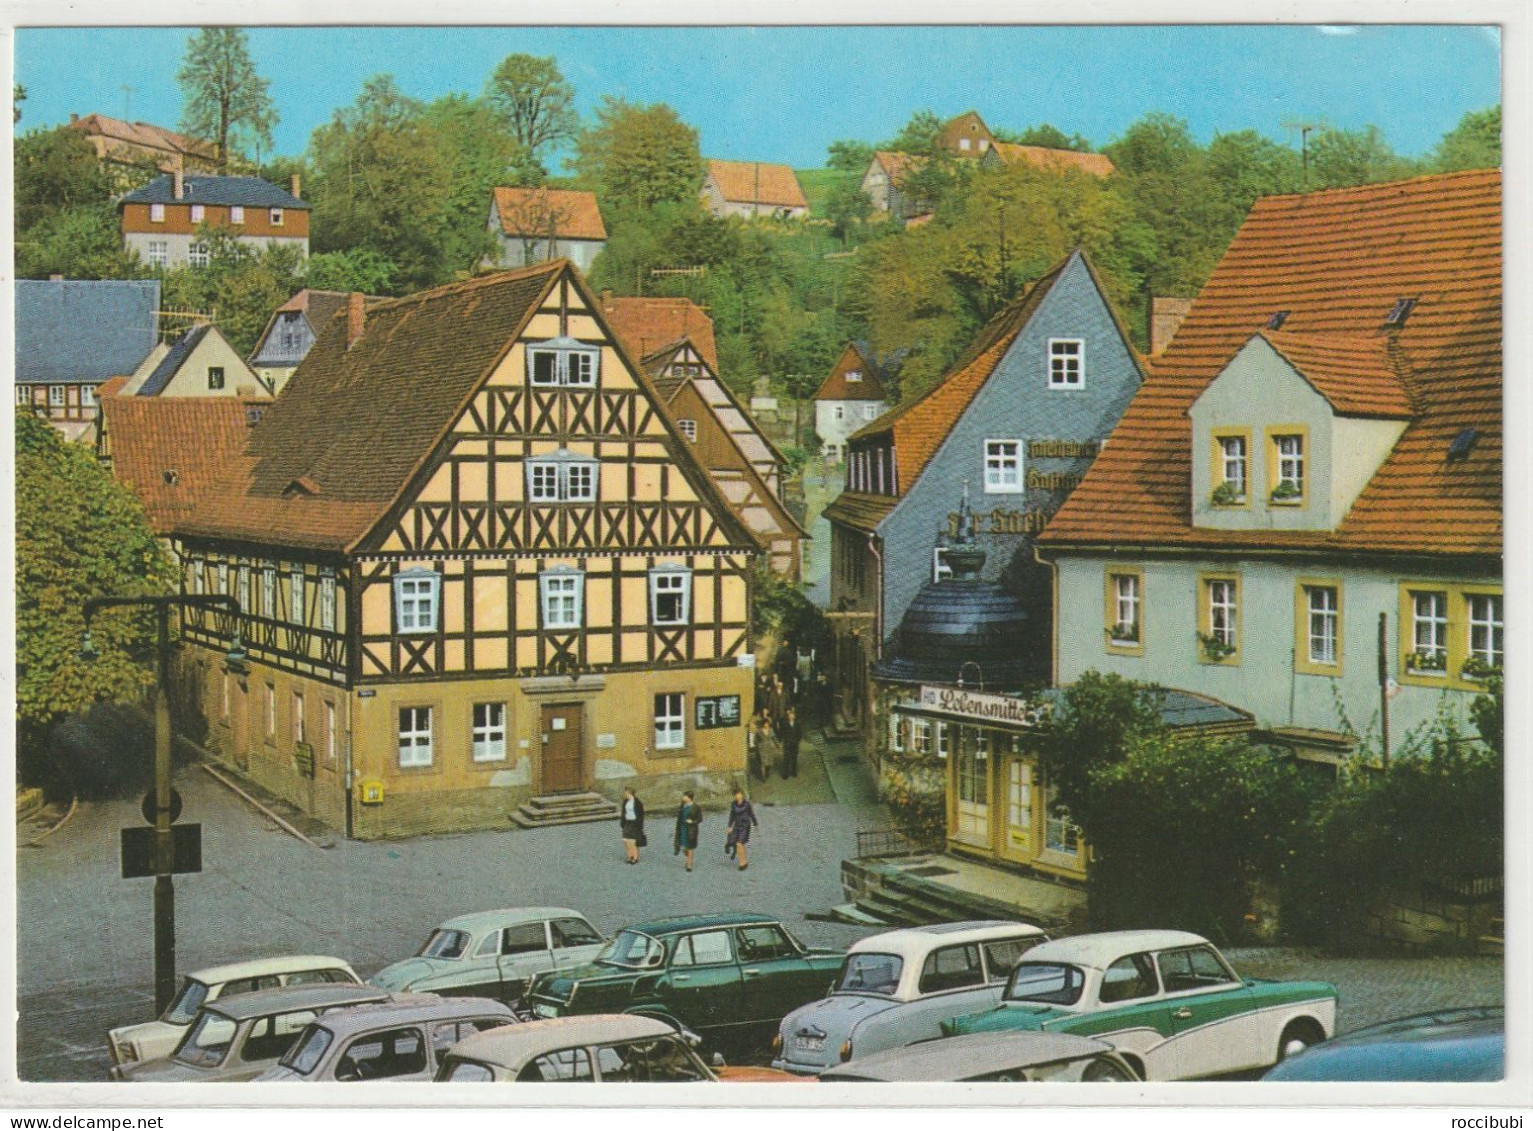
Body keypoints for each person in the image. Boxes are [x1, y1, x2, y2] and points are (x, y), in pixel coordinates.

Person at [725, 789, 759, 871]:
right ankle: (744, 860)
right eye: (736, 794)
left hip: (745, 826)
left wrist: (755, 824)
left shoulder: (747, 804)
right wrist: (729, 826)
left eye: (739, 794)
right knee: (739, 844)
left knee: (739, 844)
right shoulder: (733, 804)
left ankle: (742, 862)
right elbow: (732, 815)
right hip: (737, 825)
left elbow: (751, 814)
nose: (738, 796)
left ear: (742, 795)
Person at [673, 791, 703, 872]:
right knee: (684, 847)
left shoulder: (696, 807)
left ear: (689, 798)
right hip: (682, 828)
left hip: (691, 830)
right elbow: (679, 817)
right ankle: (688, 859)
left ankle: (689, 864)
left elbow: (700, 819)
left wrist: (692, 822)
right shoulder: (682, 806)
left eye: (684, 796)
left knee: (690, 847)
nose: (683, 798)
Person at [619, 787, 646, 865]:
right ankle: (629, 855)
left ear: (630, 793)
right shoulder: (625, 802)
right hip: (627, 822)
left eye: (626, 793)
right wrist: (622, 822)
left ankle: (635, 857)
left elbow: (641, 815)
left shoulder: (638, 803)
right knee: (625, 840)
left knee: (633, 841)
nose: (625, 794)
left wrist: (639, 824)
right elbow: (623, 812)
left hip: (635, 822)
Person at [780, 707, 802, 779]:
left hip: (795, 744)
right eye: (790, 715)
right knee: (786, 759)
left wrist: (797, 740)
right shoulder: (785, 723)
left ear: (794, 716)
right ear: (788, 716)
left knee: (794, 759)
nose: (791, 716)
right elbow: (782, 733)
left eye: (792, 715)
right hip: (787, 744)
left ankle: (793, 772)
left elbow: (800, 734)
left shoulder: (797, 724)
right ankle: (785, 774)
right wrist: (785, 741)